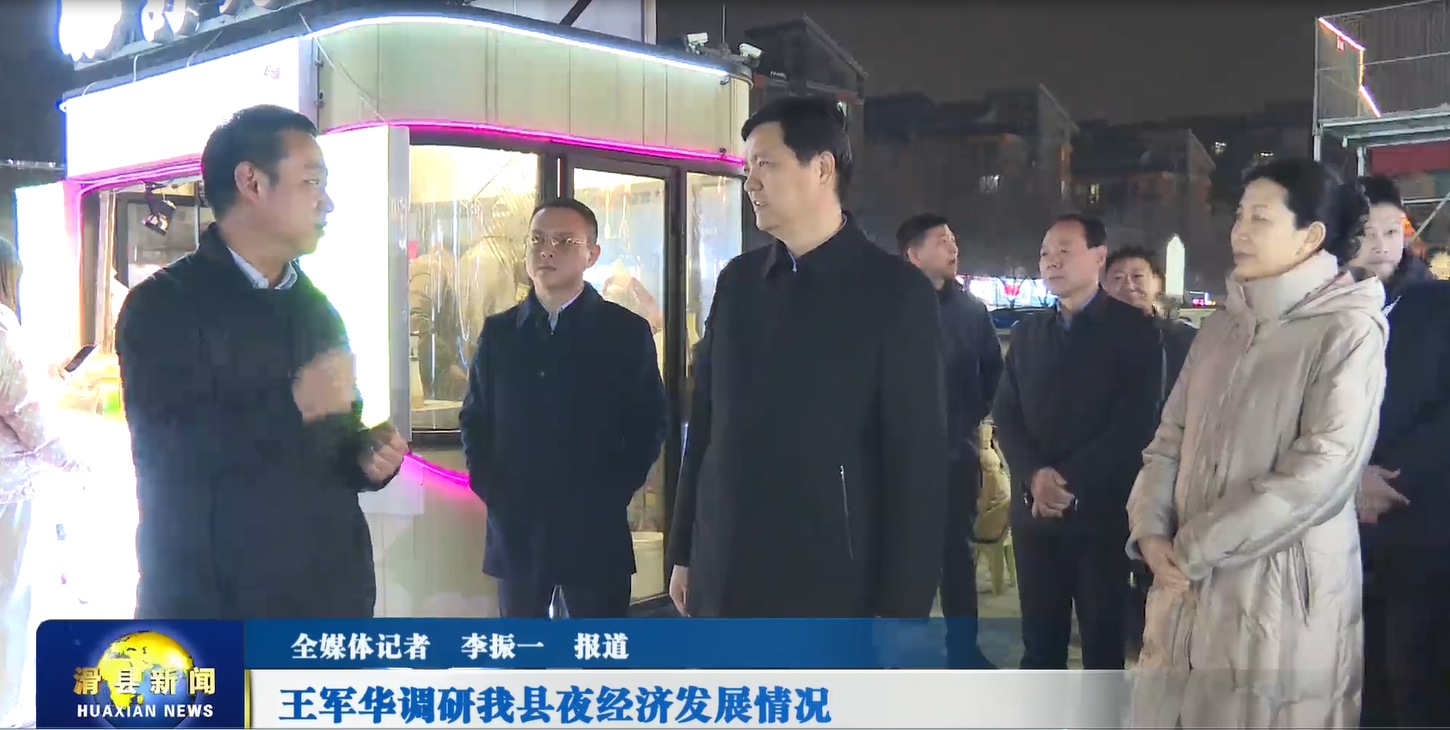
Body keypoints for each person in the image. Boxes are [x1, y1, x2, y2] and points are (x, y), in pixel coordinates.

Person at [116, 105, 407, 619]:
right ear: (251, 182)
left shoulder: (317, 308)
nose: (328, 202)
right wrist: (293, 404)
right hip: (215, 609)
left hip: (327, 602)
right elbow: (172, 455)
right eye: (311, 182)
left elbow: (334, 439)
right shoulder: (163, 306)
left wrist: (365, 459)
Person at [1126, 159, 1385, 728]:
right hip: (1182, 581)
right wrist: (1149, 529)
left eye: (1260, 218)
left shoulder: (1346, 329)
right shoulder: (1222, 327)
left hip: (1279, 591)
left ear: (1310, 237)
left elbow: (1321, 473)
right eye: (1239, 215)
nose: (1239, 231)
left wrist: (1195, 547)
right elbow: (1169, 438)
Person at [667, 96, 948, 619]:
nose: (750, 182)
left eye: (765, 164)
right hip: (724, 567)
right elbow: (705, 426)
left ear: (822, 168)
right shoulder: (739, 282)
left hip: (830, 580)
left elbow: (916, 462)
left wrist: (901, 607)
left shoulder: (894, 292)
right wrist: (684, 550)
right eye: (746, 168)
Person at [459, 198, 666, 619]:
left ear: (592, 254)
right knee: (523, 652)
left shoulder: (624, 332)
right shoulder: (501, 333)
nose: (546, 251)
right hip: (517, 528)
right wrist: (492, 488)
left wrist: (612, 491)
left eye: (564, 241)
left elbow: (648, 424)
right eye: (537, 240)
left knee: (598, 649)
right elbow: (475, 420)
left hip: (594, 528)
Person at [991, 213, 1162, 670]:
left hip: (1099, 517)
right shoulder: (1028, 332)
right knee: (1039, 645)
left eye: (1065, 250)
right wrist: (1034, 475)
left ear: (1098, 256)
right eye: (1045, 253)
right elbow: (1006, 413)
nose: (1052, 261)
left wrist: (1067, 482)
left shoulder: (1136, 330)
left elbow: (1134, 424)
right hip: (1034, 515)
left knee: (1102, 647)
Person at [1352, 175, 1450, 728]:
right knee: (1356, 679)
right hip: (1339, 519)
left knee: (1415, 672)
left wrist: (1391, 479)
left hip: (1420, 514)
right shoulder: (1326, 309)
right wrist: (1350, 478)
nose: (1383, 244)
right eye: (1368, 232)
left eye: (1393, 231)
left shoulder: (1439, 304)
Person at [896, 213, 1002, 667]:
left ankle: (963, 650)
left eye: (954, 240)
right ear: (914, 253)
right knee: (903, 559)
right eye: (942, 241)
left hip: (955, 454)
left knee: (958, 556)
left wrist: (964, 420)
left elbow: (993, 376)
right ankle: (901, 653)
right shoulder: (889, 307)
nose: (953, 247)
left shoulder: (972, 310)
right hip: (898, 460)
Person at [0, 237, 88, 728]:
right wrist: (79, 465)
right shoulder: (1, 330)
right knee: (15, 598)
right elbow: (30, 420)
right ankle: (10, 708)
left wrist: (47, 377)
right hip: (10, 491)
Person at [1103, 245, 1197, 655]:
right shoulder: (1091, 341)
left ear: (1158, 283)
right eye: (1117, 277)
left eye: (1138, 276)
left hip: (1169, 472)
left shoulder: (1186, 340)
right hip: (1107, 473)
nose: (1128, 285)